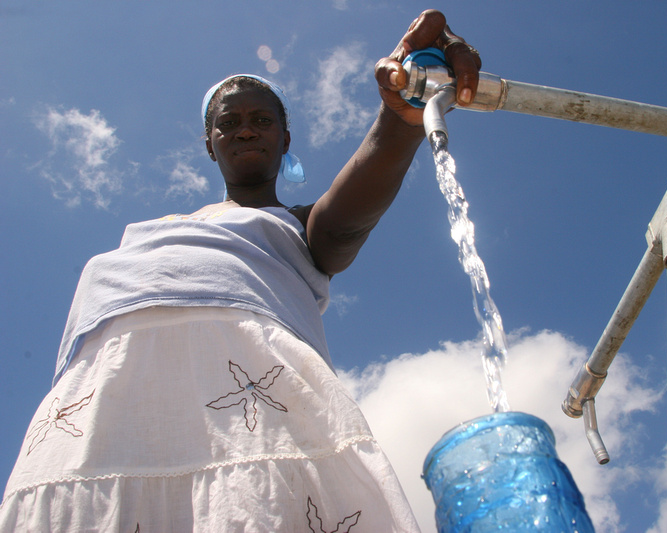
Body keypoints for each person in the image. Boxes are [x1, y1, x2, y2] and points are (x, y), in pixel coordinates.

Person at [0, 10, 481, 533]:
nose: (245, 129)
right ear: (210, 144)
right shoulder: (155, 229)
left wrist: (402, 113)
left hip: (250, 387)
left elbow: (341, 229)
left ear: (284, 138)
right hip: (101, 399)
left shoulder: (295, 225)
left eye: (261, 119)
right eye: (228, 122)